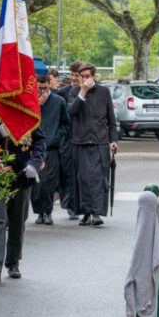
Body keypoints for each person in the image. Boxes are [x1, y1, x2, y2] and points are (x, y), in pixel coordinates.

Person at [0, 119, 46, 281]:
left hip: (21, 176)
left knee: (17, 221)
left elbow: (40, 142)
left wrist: (34, 163)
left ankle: (13, 262)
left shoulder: (28, 117)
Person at [67, 63, 118, 226]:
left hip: (100, 141)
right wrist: (83, 91)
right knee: (82, 178)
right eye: (81, 77)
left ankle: (97, 213)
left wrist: (113, 140)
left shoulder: (104, 92)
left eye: (87, 77)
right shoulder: (75, 92)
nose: (84, 80)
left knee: (99, 178)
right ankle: (85, 212)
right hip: (80, 141)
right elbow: (72, 112)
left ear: (94, 76)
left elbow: (111, 119)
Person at [31, 75, 70, 225]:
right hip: (34, 148)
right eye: (39, 89)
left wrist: (57, 137)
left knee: (48, 181)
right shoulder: (32, 102)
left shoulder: (59, 101)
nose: (43, 91)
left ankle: (47, 212)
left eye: (45, 88)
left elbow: (65, 124)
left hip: (52, 147)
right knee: (36, 182)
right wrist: (38, 105)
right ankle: (39, 212)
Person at [56, 61, 82, 220]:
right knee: (68, 173)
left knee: (81, 174)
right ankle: (70, 205)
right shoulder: (62, 93)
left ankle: (80, 205)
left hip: (82, 137)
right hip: (66, 139)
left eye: (76, 75)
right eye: (71, 75)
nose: (73, 78)